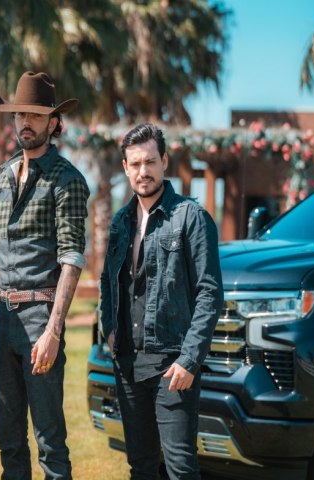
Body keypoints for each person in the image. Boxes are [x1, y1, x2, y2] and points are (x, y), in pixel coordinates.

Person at [0, 71, 90, 480]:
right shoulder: (5, 176)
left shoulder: (67, 180)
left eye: (35, 115)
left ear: (54, 122)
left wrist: (53, 330)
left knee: (50, 443)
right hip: (4, 320)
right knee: (9, 441)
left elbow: (71, 259)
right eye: (20, 115)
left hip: (40, 319)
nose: (25, 123)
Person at [99, 123, 223, 479]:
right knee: (140, 466)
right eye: (136, 164)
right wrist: (110, 332)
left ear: (164, 162)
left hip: (172, 365)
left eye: (150, 162)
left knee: (180, 467)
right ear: (126, 167)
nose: (144, 171)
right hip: (128, 363)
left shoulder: (191, 217)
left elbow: (210, 293)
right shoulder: (120, 222)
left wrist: (189, 360)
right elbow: (108, 283)